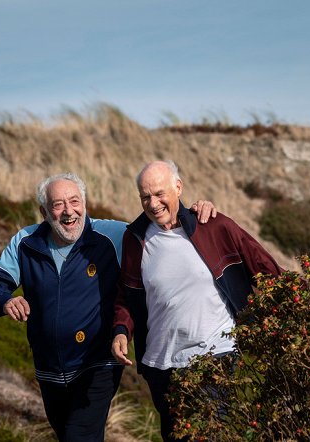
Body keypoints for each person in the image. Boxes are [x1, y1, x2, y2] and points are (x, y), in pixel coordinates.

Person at [0, 172, 216, 442]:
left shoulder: (112, 235)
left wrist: (193, 214)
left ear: (85, 202)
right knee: (69, 434)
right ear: (44, 211)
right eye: (58, 205)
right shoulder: (26, 242)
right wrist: (6, 300)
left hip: (97, 364)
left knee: (79, 436)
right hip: (48, 369)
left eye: (75, 201)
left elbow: (163, 226)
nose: (69, 212)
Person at [111, 160, 282, 442]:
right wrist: (120, 330)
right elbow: (126, 294)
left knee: (211, 433)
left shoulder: (213, 225)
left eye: (159, 193)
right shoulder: (135, 238)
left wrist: (299, 307)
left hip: (214, 355)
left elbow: (263, 266)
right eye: (145, 197)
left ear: (178, 188)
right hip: (160, 363)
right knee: (175, 436)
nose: (153, 203)